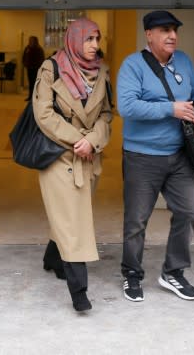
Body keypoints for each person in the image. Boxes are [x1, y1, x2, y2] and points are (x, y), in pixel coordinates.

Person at [117, 10, 194, 303]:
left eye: (174, 30)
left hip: (179, 154)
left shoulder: (182, 60)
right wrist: (171, 108)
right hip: (142, 156)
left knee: (187, 211)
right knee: (137, 221)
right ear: (149, 35)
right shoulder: (132, 66)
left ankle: (174, 272)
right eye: (165, 30)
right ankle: (132, 273)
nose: (172, 36)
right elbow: (127, 107)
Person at [33, 18, 113, 312]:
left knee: (68, 214)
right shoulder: (50, 69)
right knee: (74, 222)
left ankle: (52, 258)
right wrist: (78, 139)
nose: (94, 46)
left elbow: (106, 114)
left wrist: (92, 140)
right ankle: (79, 291)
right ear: (74, 39)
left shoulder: (101, 71)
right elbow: (43, 115)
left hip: (89, 155)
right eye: (88, 39)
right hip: (59, 155)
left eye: (97, 39)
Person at [22, 35, 45, 101]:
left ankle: (36, 97)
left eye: (31, 40)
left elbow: (41, 59)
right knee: (30, 83)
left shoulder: (39, 49)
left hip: (36, 69)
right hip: (29, 68)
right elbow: (24, 57)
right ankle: (30, 96)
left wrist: (39, 67)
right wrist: (25, 63)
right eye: (30, 40)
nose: (30, 41)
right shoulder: (27, 48)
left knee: (36, 83)